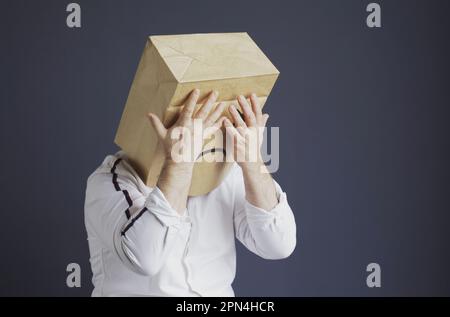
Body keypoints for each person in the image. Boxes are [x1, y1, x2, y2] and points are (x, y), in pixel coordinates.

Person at [84, 89, 297, 296]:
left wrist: (253, 163)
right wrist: (178, 164)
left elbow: (278, 244)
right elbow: (146, 259)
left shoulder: (225, 174)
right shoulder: (107, 182)